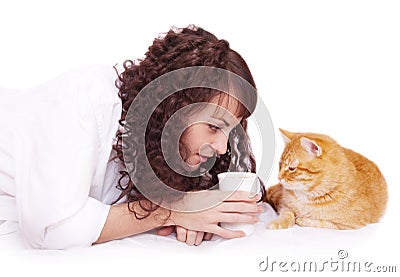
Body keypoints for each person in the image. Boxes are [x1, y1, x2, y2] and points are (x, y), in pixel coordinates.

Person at [0, 25, 262, 249]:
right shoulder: (84, 101)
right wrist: (170, 211)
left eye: (232, 129)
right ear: (172, 108)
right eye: (214, 127)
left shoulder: (159, 147)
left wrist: (197, 210)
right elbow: (52, 230)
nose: (221, 147)